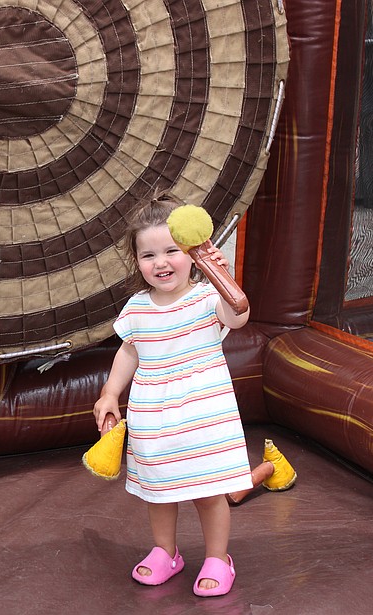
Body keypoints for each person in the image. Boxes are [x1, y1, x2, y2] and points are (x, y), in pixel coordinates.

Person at [93, 191, 253, 597]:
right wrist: (110, 393)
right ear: (137, 262)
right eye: (148, 256)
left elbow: (238, 315)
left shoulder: (206, 298)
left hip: (203, 418)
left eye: (172, 251)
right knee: (159, 493)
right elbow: (129, 351)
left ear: (193, 255)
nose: (161, 262)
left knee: (207, 494)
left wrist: (223, 274)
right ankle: (166, 551)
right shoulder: (137, 308)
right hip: (154, 418)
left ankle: (219, 558)